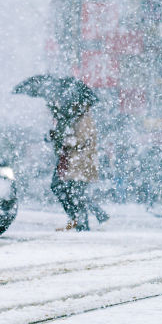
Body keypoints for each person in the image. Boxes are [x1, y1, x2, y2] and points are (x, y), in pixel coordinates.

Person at [49, 99, 101, 231]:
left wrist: (64, 140)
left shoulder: (84, 120)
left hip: (81, 163)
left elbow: (81, 141)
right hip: (75, 162)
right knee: (73, 192)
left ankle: (81, 222)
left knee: (75, 193)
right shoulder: (77, 119)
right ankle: (80, 220)